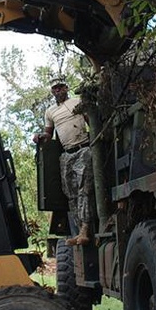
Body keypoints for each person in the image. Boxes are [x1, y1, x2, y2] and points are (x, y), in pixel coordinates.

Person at [34, 79, 93, 245]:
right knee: (70, 193)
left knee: (84, 189)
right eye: (55, 88)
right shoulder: (50, 112)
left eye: (61, 87)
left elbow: (90, 121)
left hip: (83, 149)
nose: (58, 90)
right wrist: (40, 137)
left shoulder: (77, 102)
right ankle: (78, 230)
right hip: (67, 154)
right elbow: (49, 134)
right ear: (52, 91)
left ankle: (85, 230)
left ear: (66, 88)